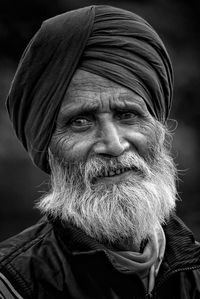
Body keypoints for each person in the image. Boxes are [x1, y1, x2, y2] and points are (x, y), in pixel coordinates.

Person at [0, 5, 199, 299]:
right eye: (80, 122)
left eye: (127, 114)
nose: (114, 145)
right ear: (48, 147)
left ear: (158, 129)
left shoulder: (192, 269)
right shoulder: (13, 285)